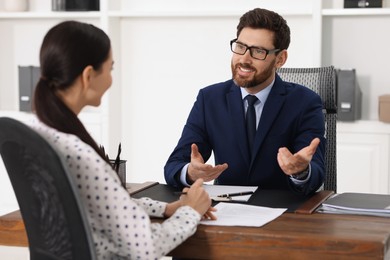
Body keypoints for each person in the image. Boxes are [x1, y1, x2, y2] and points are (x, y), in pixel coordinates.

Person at [30, 20, 215, 259]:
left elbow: (107, 206)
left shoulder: (43, 134)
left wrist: (169, 208)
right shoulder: (80, 155)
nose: (111, 78)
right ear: (89, 75)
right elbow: (146, 246)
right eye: (111, 68)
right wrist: (190, 211)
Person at [164, 8, 326, 196]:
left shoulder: (305, 102)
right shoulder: (209, 99)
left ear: (280, 59)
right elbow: (174, 166)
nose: (244, 59)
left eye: (258, 51)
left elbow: (316, 173)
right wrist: (190, 173)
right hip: (225, 211)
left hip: (282, 213)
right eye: (240, 47)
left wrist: (300, 171)